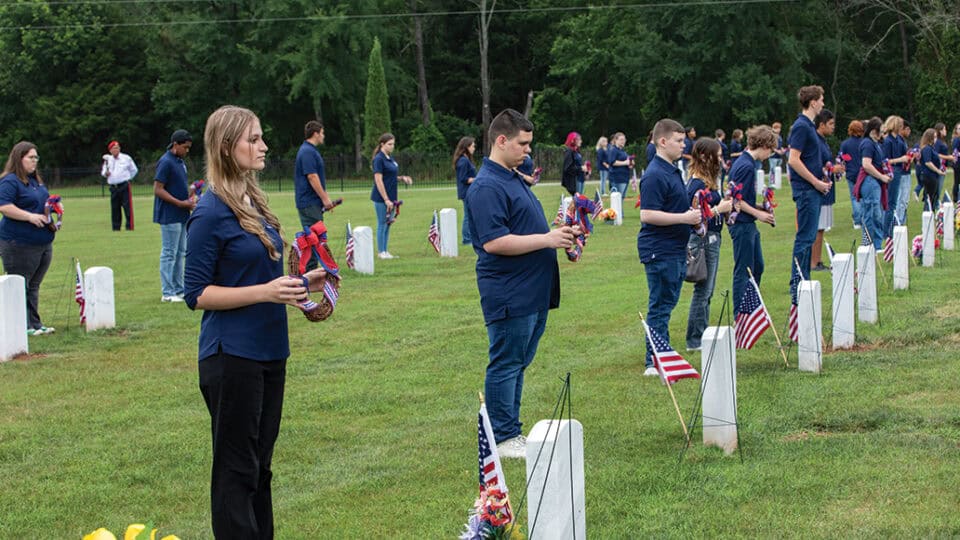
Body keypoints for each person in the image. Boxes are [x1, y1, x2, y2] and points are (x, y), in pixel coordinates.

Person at [185, 105, 328, 539]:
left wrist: (300, 282)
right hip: (232, 356)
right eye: (254, 139)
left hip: (270, 350)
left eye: (262, 137)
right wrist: (267, 292)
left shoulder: (253, 202)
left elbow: (256, 275)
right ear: (228, 148)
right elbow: (196, 294)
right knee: (236, 471)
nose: (264, 146)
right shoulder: (210, 211)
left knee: (260, 468)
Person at [464, 108, 578, 458]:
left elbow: (526, 228)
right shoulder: (486, 186)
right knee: (506, 361)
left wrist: (557, 235)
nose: (528, 150)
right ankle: (503, 436)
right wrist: (547, 240)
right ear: (501, 140)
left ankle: (510, 429)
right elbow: (494, 242)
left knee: (519, 360)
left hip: (532, 289)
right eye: (523, 144)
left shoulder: (511, 176)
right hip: (509, 291)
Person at [638, 119, 701, 376]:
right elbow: (647, 214)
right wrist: (684, 218)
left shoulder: (672, 169)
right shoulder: (654, 174)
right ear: (662, 142)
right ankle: (653, 360)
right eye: (678, 141)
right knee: (661, 305)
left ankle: (661, 351)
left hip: (674, 247)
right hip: (659, 249)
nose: (683, 145)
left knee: (667, 302)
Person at [0, 142, 56, 336]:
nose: (35, 161)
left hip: (42, 241)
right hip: (18, 242)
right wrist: (30, 216)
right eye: (31, 158)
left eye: (36, 158)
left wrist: (53, 209)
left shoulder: (35, 181)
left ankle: (34, 323)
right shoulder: (10, 181)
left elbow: (43, 202)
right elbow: (5, 206)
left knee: (33, 285)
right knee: (19, 285)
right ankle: (22, 325)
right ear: (19, 158)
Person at [684, 138, 733, 351]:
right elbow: (695, 216)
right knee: (703, 289)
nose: (721, 160)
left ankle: (701, 332)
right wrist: (718, 209)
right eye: (718, 155)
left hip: (712, 237)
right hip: (703, 239)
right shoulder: (697, 184)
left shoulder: (707, 181)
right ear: (705, 156)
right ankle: (695, 339)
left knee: (708, 290)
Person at [786, 85, 831, 304]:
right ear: (812, 102)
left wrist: (822, 175)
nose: (823, 103)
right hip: (806, 190)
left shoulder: (809, 126)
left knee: (809, 236)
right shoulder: (801, 126)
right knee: (805, 238)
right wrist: (815, 182)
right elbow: (793, 159)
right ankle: (798, 285)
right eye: (821, 100)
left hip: (813, 188)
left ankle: (804, 281)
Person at [729, 126, 777, 312]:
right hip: (741, 224)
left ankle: (751, 306)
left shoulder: (747, 163)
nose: (770, 154)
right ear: (764, 145)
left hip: (748, 222)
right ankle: (741, 315)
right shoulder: (746, 166)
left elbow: (744, 198)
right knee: (744, 270)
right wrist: (759, 214)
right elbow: (736, 200)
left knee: (758, 266)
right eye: (771, 149)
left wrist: (760, 207)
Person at [154, 129, 196, 302]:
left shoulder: (179, 161)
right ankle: (167, 292)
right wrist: (180, 203)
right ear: (176, 144)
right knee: (169, 252)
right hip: (170, 214)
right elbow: (158, 189)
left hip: (182, 213)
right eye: (185, 147)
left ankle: (179, 289)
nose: (187, 151)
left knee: (181, 252)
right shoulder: (166, 162)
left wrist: (191, 194)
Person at [294, 120, 336, 271]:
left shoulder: (310, 151)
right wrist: (325, 199)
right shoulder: (307, 152)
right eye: (322, 133)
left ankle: (312, 270)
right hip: (308, 202)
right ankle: (309, 274)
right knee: (313, 238)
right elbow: (312, 176)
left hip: (313, 202)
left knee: (316, 237)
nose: (323, 136)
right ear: (316, 134)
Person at [370, 133, 413, 259]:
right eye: (389, 144)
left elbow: (390, 176)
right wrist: (386, 199)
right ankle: (381, 252)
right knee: (382, 223)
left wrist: (402, 178)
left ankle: (385, 250)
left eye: (393, 144)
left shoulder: (390, 158)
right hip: (381, 197)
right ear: (382, 144)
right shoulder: (379, 159)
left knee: (388, 223)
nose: (392, 146)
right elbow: (378, 180)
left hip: (392, 196)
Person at [811, 109, 842, 271]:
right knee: (818, 227)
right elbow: (817, 167)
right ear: (821, 124)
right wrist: (833, 169)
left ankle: (817, 259)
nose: (833, 127)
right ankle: (814, 262)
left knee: (821, 227)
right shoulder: (816, 141)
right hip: (820, 190)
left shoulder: (823, 141)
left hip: (827, 190)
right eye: (830, 124)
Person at [855, 116, 890, 250]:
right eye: (880, 131)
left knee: (877, 213)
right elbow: (866, 164)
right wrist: (881, 176)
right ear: (873, 131)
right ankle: (871, 244)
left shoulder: (875, 143)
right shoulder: (867, 144)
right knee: (871, 213)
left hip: (875, 181)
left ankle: (876, 243)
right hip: (870, 182)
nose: (882, 134)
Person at [881, 116, 910, 236]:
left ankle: (891, 227)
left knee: (894, 202)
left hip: (899, 170)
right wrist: (901, 159)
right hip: (892, 171)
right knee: (891, 202)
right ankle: (886, 231)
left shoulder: (899, 139)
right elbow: (886, 160)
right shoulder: (888, 141)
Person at [100, 140, 138, 231]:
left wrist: (128, 178)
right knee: (115, 208)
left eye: (117, 148)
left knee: (127, 207)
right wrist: (106, 173)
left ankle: (129, 227)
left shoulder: (126, 158)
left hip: (124, 185)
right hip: (114, 187)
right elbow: (103, 172)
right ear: (110, 150)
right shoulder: (108, 160)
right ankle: (116, 228)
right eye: (114, 148)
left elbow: (134, 170)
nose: (116, 150)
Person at [839, 120, 864, 229]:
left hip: (851, 172)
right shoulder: (864, 142)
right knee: (863, 196)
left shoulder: (845, 144)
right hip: (863, 173)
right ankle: (863, 219)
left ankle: (857, 221)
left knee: (854, 198)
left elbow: (842, 158)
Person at [454, 136, 477, 245]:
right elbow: (463, 178)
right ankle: (467, 239)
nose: (474, 148)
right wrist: (477, 179)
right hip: (467, 192)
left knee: (471, 215)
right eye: (472, 146)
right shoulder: (463, 161)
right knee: (468, 216)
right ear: (467, 147)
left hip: (470, 191)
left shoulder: (466, 159)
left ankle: (470, 237)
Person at [917, 128, 942, 210]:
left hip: (932, 176)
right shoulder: (927, 148)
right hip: (929, 175)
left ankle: (930, 211)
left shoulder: (931, 148)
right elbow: (928, 162)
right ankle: (928, 213)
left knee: (932, 197)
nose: (936, 139)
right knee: (930, 197)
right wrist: (938, 170)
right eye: (934, 137)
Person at [934, 122, 957, 201]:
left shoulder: (942, 141)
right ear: (940, 131)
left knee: (939, 186)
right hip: (939, 166)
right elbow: (936, 154)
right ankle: (935, 204)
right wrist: (948, 157)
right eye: (944, 129)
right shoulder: (937, 142)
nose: (946, 131)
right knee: (937, 188)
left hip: (943, 166)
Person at [561, 131, 586, 195]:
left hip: (581, 178)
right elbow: (567, 168)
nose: (581, 141)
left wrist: (586, 170)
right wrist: (580, 168)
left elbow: (578, 164)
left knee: (580, 200)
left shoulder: (576, 151)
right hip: (575, 180)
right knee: (577, 201)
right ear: (573, 140)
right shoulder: (569, 152)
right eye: (579, 139)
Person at [607, 132, 631, 196]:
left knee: (621, 199)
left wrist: (630, 163)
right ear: (616, 140)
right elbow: (612, 162)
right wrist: (625, 163)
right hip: (617, 178)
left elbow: (627, 162)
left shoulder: (623, 151)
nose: (623, 141)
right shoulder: (614, 150)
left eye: (624, 139)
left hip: (624, 177)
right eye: (621, 140)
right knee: (617, 200)